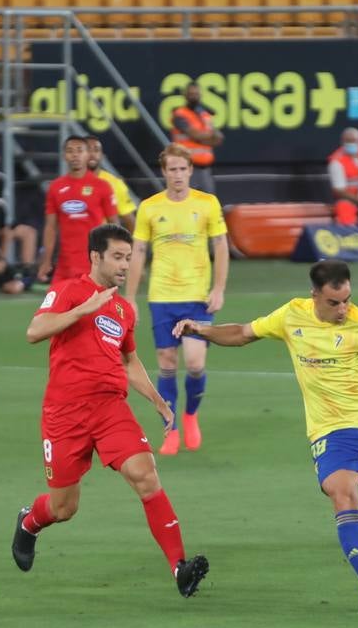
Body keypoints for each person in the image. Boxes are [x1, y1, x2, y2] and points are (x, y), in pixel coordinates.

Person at [174, 260, 358, 610]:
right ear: (315, 295)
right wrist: (200, 330)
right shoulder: (291, 316)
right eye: (334, 302)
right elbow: (242, 333)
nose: (343, 308)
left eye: (347, 299)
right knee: (344, 496)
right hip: (331, 431)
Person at [11, 225, 210, 599]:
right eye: (117, 257)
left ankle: (179, 568)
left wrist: (157, 399)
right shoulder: (69, 291)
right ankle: (29, 522)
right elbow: (34, 331)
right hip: (64, 412)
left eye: (129, 258)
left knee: (145, 474)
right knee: (64, 507)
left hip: (108, 406)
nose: (124, 265)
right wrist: (83, 309)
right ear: (95, 257)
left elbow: (129, 361)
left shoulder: (122, 309)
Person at [125, 144, 229, 456]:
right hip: (162, 297)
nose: (178, 175)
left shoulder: (207, 203)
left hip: (197, 296)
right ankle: (170, 428)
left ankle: (190, 415)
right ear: (164, 172)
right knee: (167, 363)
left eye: (183, 169)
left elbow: (221, 246)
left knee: (195, 364)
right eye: (172, 169)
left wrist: (219, 288)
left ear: (190, 171)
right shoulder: (150, 208)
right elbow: (139, 252)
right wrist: (130, 298)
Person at [38, 136, 118, 285]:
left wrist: (116, 260)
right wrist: (46, 261)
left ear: (88, 155)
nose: (75, 155)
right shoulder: (55, 187)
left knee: (94, 308)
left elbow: (114, 225)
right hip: (64, 266)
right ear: (64, 156)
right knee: (52, 308)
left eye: (79, 150)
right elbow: (50, 227)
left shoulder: (102, 186)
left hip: (94, 265)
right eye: (70, 151)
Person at [168, 83, 223, 195]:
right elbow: (194, 134)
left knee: (208, 204)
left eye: (196, 94)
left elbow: (218, 139)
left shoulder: (205, 115)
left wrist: (204, 137)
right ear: (185, 95)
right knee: (185, 202)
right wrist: (207, 136)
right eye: (191, 94)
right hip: (185, 169)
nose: (194, 96)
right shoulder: (179, 114)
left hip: (205, 169)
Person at [86, 135, 137, 232]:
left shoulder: (114, 183)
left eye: (96, 150)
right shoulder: (68, 183)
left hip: (103, 244)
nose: (92, 154)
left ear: (101, 155)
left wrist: (134, 246)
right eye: (88, 150)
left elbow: (130, 220)